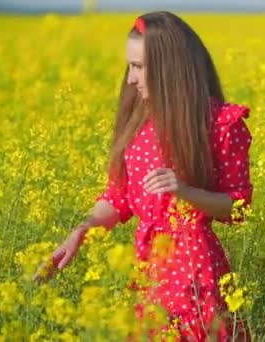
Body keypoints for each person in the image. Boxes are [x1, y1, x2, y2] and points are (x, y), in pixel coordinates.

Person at [33, 11, 253, 341]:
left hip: (196, 275)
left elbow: (239, 207)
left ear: (168, 69)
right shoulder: (139, 121)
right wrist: (82, 231)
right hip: (147, 270)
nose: (130, 79)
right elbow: (117, 197)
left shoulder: (221, 124)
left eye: (138, 67)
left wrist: (184, 191)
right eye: (129, 67)